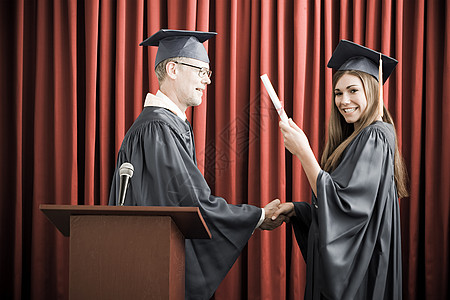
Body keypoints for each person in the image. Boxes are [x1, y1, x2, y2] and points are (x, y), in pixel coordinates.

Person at [108, 29, 284, 300]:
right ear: (173, 69)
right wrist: (257, 216)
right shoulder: (157, 128)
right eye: (201, 71)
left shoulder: (168, 125)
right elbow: (193, 204)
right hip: (154, 272)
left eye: (208, 73)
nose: (207, 81)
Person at [272, 40, 409, 299]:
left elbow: (345, 209)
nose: (344, 100)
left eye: (353, 90)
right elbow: (348, 214)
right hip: (359, 264)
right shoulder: (359, 137)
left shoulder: (376, 136)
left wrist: (304, 152)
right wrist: (299, 211)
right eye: (338, 93)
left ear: (373, 90)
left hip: (363, 272)